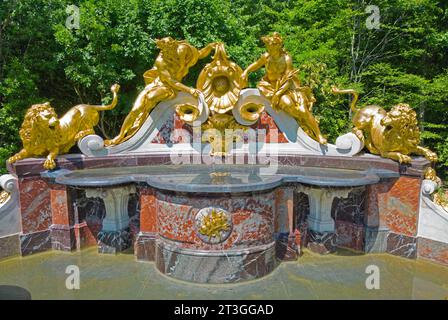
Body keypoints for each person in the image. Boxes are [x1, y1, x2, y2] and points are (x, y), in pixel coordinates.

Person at [106, 37, 217, 146]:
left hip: (169, 89)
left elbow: (199, 54)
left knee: (150, 98)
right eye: (165, 50)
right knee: (136, 109)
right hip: (160, 85)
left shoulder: (184, 49)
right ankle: (121, 136)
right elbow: (171, 81)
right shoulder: (161, 61)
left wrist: (209, 47)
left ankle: (141, 118)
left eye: (171, 49)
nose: (168, 52)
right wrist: (189, 90)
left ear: (174, 45)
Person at [241, 32, 327, 144]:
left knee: (302, 110)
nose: (269, 49)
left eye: (271, 46)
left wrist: (278, 94)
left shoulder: (286, 58)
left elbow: (288, 79)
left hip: (287, 88)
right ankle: (302, 122)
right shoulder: (266, 57)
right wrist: (246, 71)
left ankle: (318, 134)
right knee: (288, 105)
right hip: (270, 87)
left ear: (278, 46)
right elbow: (256, 64)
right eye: (267, 46)